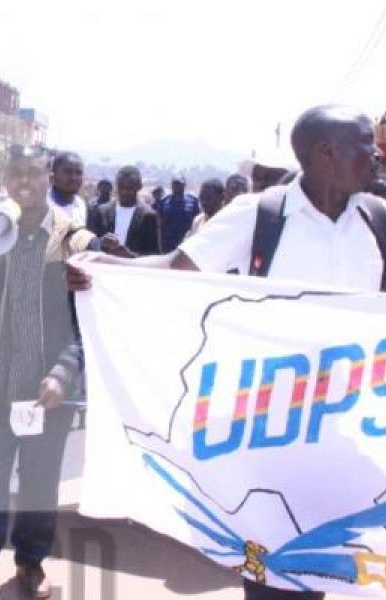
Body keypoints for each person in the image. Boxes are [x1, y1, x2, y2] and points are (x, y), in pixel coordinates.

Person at [67, 104, 385, 600]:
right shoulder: (262, 215)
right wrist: (105, 268)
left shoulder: (377, 220)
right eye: (367, 144)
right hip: (273, 438)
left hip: (351, 435)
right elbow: (178, 269)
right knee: (277, 576)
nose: (377, 154)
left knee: (355, 570)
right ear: (326, 154)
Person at [0, 146, 95, 600]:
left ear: (48, 176)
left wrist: (62, 373)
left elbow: (86, 323)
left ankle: (31, 562)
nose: (26, 182)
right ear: (6, 181)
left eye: (35, 172)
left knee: (39, 484)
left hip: (47, 392)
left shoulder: (74, 238)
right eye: (17, 175)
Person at [88, 165, 160, 256]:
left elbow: (154, 256)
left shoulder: (149, 215)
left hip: (132, 269)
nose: (124, 192)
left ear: (139, 186)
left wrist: (130, 256)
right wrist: (101, 243)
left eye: (130, 188)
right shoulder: (102, 211)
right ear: (116, 186)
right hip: (102, 268)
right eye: (121, 187)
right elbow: (89, 245)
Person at [153, 174, 201, 252]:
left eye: (179, 184)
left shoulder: (193, 201)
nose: (176, 186)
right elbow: (158, 225)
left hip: (187, 244)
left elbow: (198, 221)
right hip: (168, 245)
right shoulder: (163, 201)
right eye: (174, 184)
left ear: (184, 185)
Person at [47, 151, 87, 226]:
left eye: (78, 173)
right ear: (52, 178)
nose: (74, 178)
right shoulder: (41, 206)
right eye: (68, 172)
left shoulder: (81, 205)